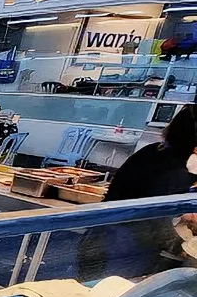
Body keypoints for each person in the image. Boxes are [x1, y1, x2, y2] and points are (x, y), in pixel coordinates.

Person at [78, 106, 197, 279]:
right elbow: (155, 219)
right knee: (112, 296)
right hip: (122, 245)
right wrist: (181, 245)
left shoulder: (154, 151)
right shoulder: (174, 171)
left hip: (100, 234)